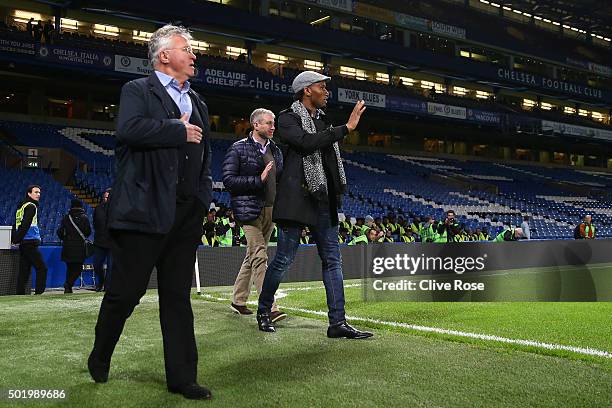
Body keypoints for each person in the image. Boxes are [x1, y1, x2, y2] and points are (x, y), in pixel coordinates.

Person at [88, 25, 213, 400]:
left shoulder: (200, 101)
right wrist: (177, 130)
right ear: (163, 56)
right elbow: (128, 130)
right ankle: (101, 354)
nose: (193, 55)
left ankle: (182, 377)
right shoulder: (137, 90)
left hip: (185, 214)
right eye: (186, 49)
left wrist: (202, 198)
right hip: (143, 213)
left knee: (177, 298)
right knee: (125, 295)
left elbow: (203, 155)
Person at [256, 70, 372, 339]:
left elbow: (328, 159)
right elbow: (306, 144)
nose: (327, 91)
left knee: (333, 260)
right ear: (307, 90)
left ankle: (338, 323)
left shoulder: (323, 122)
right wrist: (345, 129)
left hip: (323, 201)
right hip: (297, 201)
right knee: (284, 259)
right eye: (322, 87)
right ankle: (264, 310)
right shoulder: (287, 119)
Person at [222, 107, 286, 321]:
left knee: (252, 256)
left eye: (273, 123)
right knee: (260, 256)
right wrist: (258, 179)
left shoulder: (276, 150)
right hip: (248, 210)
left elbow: (280, 180)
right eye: (268, 123)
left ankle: (238, 300)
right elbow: (229, 181)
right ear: (255, 124)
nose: (272, 127)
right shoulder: (238, 149)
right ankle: (270, 306)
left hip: (270, 210)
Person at [12, 185, 48, 295]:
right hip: (29, 242)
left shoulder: (21, 207)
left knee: (24, 271)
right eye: (36, 192)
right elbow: (25, 225)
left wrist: (15, 239)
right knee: (42, 268)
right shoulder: (32, 206)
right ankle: (39, 294)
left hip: (24, 243)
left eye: (39, 192)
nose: (38, 194)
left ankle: (20, 294)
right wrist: (16, 240)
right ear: (29, 193)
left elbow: (16, 225)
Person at [57, 199, 92, 294]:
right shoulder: (84, 217)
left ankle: (68, 287)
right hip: (79, 247)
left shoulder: (66, 217)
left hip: (68, 246)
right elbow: (88, 232)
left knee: (70, 268)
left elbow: (59, 232)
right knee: (78, 268)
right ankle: (68, 284)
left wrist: (65, 238)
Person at [93, 188, 112, 291]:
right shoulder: (98, 209)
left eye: (109, 197)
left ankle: (107, 287)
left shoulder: (117, 209)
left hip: (113, 242)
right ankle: (101, 282)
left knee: (111, 266)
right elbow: (95, 223)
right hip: (99, 242)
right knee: (97, 264)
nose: (107, 199)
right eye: (105, 197)